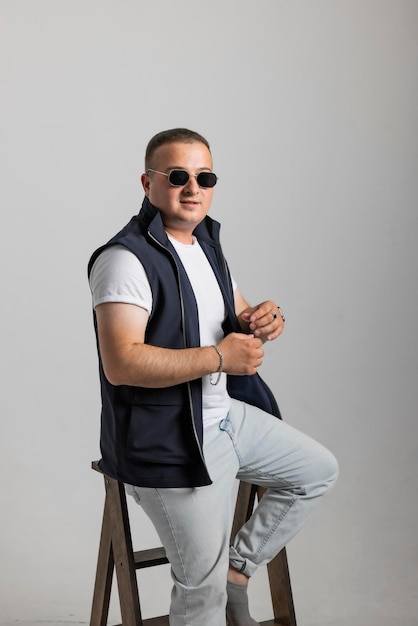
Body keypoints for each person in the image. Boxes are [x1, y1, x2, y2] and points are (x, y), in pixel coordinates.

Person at [88, 128, 338, 626]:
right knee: (198, 595)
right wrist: (221, 359)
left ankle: (236, 571)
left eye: (204, 176)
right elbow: (122, 364)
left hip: (222, 418)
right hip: (165, 437)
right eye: (177, 176)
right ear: (147, 182)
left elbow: (235, 317)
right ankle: (215, 580)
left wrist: (263, 319)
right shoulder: (124, 260)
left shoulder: (205, 244)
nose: (192, 187)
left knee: (316, 472)